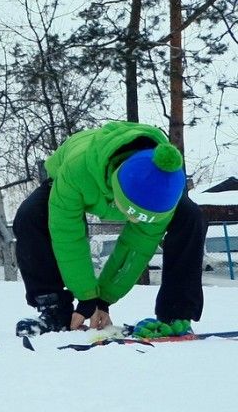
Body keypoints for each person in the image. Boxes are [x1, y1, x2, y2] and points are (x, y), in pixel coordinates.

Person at [13, 122, 203, 339]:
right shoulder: (75, 172)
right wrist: (86, 297)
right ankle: (54, 309)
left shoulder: (162, 186)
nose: (133, 221)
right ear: (117, 193)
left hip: (130, 185)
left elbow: (136, 247)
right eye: (131, 213)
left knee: (191, 216)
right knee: (30, 215)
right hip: (80, 173)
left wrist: (103, 299)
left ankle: (176, 315)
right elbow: (68, 237)